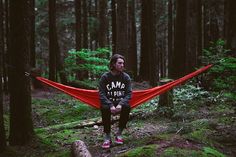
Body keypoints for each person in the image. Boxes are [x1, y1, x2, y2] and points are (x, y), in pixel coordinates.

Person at [98, 54, 132, 149]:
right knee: (104, 108)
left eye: (123, 63)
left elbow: (129, 93)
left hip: (120, 103)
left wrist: (121, 104)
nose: (122, 65)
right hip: (108, 103)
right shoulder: (105, 77)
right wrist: (110, 105)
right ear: (113, 64)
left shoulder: (126, 77)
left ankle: (119, 134)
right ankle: (107, 136)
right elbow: (101, 93)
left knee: (127, 107)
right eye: (119, 63)